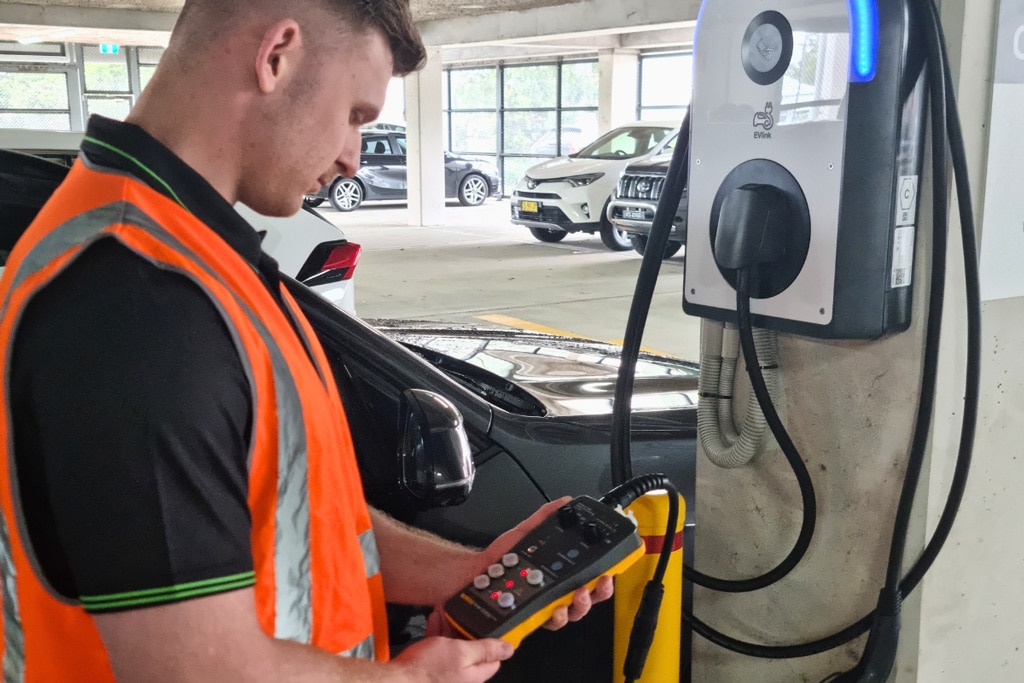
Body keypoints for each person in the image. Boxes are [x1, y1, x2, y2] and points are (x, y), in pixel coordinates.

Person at [0, 1, 613, 681]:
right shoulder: (136, 301)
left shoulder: (192, 257)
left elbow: (295, 510)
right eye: (354, 114)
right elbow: (192, 668)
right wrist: (410, 679)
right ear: (277, 56)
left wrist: (465, 571)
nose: (354, 158)